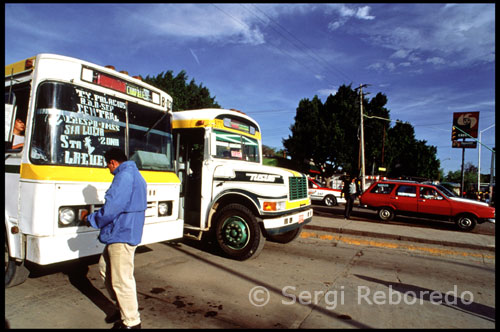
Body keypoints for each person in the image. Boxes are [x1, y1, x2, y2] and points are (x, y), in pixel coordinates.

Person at [83, 148, 147, 329]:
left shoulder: (123, 177)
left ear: (113, 162)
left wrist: (91, 219)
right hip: (123, 231)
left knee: (121, 279)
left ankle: (132, 322)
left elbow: (111, 208)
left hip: (121, 233)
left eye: (107, 164)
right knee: (105, 268)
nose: (107, 168)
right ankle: (123, 309)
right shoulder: (134, 174)